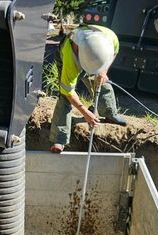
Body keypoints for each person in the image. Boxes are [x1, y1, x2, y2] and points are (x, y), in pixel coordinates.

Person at [50, 25, 127, 153]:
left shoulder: (110, 38)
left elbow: (115, 50)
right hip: (69, 56)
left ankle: (109, 113)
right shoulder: (71, 58)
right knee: (64, 97)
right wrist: (86, 113)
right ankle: (60, 138)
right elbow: (68, 91)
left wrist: (103, 70)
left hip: (95, 56)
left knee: (103, 82)